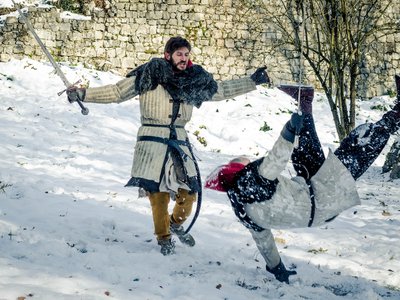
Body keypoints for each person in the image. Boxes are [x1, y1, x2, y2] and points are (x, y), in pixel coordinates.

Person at [66, 36, 270, 256]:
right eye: (179, 54)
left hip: (179, 141)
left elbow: (220, 90)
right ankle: (164, 238)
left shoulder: (195, 79)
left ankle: (174, 223)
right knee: (157, 194)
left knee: (190, 191)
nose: (183, 58)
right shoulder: (149, 73)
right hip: (151, 141)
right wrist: (83, 94)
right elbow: (117, 92)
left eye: (186, 54)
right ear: (167, 55)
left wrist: (251, 82)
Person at [205, 76, 400, 283]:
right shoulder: (252, 180)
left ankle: (305, 100)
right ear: (239, 168)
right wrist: (288, 130)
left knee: (302, 150)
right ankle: (397, 113)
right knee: (359, 143)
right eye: (243, 160)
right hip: (326, 195)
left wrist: (277, 268)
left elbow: (264, 242)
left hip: (313, 196)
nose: (247, 159)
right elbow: (277, 158)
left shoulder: (243, 203)